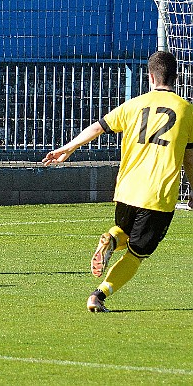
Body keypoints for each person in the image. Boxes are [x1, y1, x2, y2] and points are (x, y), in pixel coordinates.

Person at [42, 50, 193, 312]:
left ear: (150, 76)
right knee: (136, 254)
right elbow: (190, 158)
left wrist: (68, 147)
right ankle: (98, 295)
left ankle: (111, 239)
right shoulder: (186, 110)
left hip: (126, 191)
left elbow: (99, 126)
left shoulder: (134, 104)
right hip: (158, 196)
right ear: (176, 77)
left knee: (124, 232)